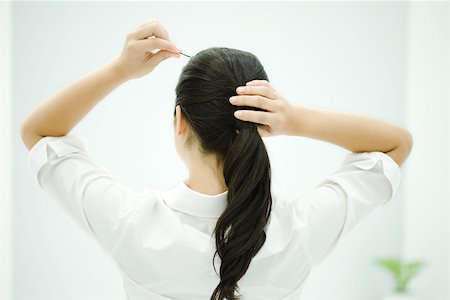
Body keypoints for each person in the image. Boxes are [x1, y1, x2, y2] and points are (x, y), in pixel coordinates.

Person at [20, 20, 413, 300]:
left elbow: (39, 133)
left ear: (180, 122)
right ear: (260, 124)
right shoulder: (298, 231)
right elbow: (395, 145)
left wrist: (120, 69)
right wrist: (295, 119)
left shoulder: (130, 224)